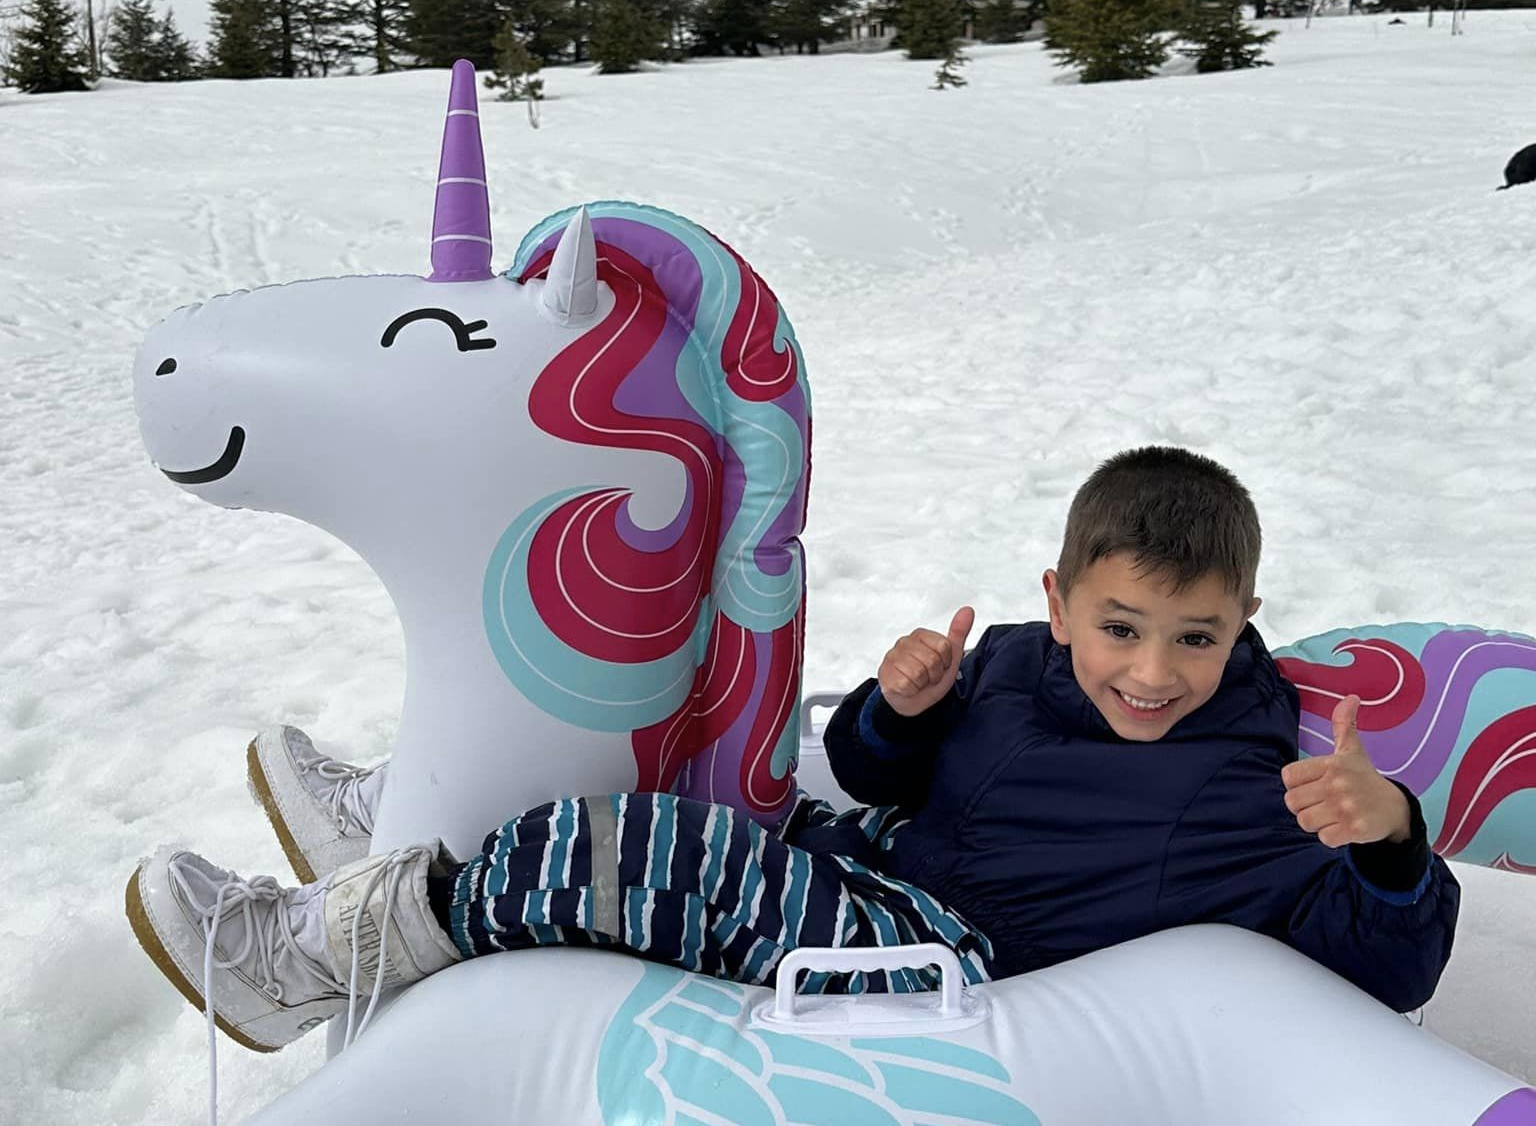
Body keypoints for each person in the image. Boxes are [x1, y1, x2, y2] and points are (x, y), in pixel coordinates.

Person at [125, 446, 1458, 1053]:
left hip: (950, 956)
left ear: (1244, 621)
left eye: (1196, 637)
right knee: (669, 771)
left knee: (657, 855)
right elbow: (874, 771)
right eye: (1121, 628)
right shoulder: (1009, 661)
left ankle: (311, 962)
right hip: (879, 855)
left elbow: (1386, 968)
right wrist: (900, 710)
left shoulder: (1251, 787)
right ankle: (411, 830)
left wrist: (1392, 839)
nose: (1154, 673)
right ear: (1058, 603)